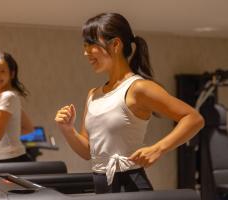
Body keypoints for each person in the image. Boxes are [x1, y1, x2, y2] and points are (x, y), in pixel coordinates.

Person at [55, 12, 205, 194]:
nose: (85, 52)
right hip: (101, 184)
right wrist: (67, 130)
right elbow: (88, 152)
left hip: (130, 185)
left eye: (91, 45)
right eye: (84, 46)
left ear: (116, 44)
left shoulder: (138, 88)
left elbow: (193, 118)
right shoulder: (93, 95)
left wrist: (158, 148)